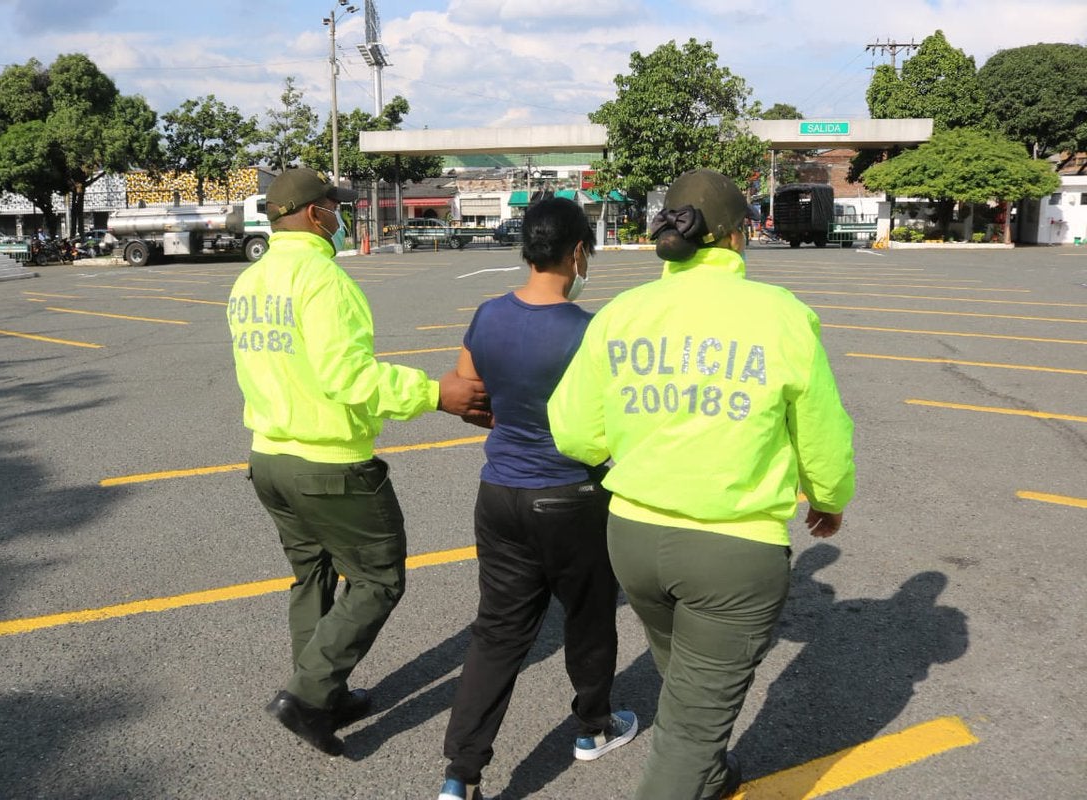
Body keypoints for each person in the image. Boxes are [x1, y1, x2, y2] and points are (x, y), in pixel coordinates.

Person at [548, 169, 856, 800]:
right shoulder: (781, 315)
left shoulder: (622, 312)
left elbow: (576, 434)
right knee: (688, 729)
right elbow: (823, 433)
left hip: (633, 537)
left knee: (685, 684)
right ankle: (694, 772)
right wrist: (827, 500)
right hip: (731, 548)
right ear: (737, 237)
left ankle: (709, 777)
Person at [227, 167, 488, 757]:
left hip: (270, 456)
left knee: (312, 575)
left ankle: (322, 687)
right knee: (377, 577)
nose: (341, 217)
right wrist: (434, 394)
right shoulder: (322, 278)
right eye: (334, 207)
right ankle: (309, 697)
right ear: (316, 214)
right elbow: (349, 378)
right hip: (328, 462)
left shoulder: (251, 280)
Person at [437, 198, 637, 800]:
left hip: (499, 492)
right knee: (589, 617)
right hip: (571, 495)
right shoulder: (589, 330)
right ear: (578, 252)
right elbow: (614, 423)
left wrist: (509, 427)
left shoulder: (488, 315)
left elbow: (467, 392)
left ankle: (459, 775)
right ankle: (593, 727)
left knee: (497, 633)